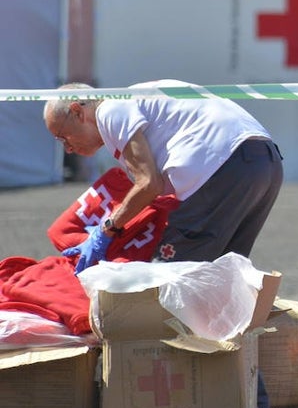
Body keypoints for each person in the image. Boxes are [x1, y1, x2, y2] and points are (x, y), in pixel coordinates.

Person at [43, 80, 284, 271]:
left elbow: (148, 184)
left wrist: (107, 229)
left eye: (62, 137)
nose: (68, 149)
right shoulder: (135, 98)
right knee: (226, 276)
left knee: (166, 281)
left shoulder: (110, 108)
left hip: (222, 168)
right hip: (265, 162)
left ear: (77, 111)